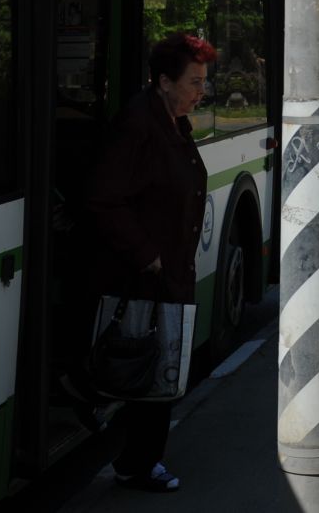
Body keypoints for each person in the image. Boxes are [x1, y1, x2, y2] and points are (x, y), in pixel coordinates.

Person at [86, 31, 215, 492]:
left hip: (166, 269)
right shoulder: (139, 123)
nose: (202, 91)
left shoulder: (170, 120)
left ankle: (139, 458)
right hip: (146, 274)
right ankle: (138, 464)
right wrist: (151, 258)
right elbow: (104, 199)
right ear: (164, 81)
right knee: (152, 368)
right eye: (194, 81)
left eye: (204, 82)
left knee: (159, 366)